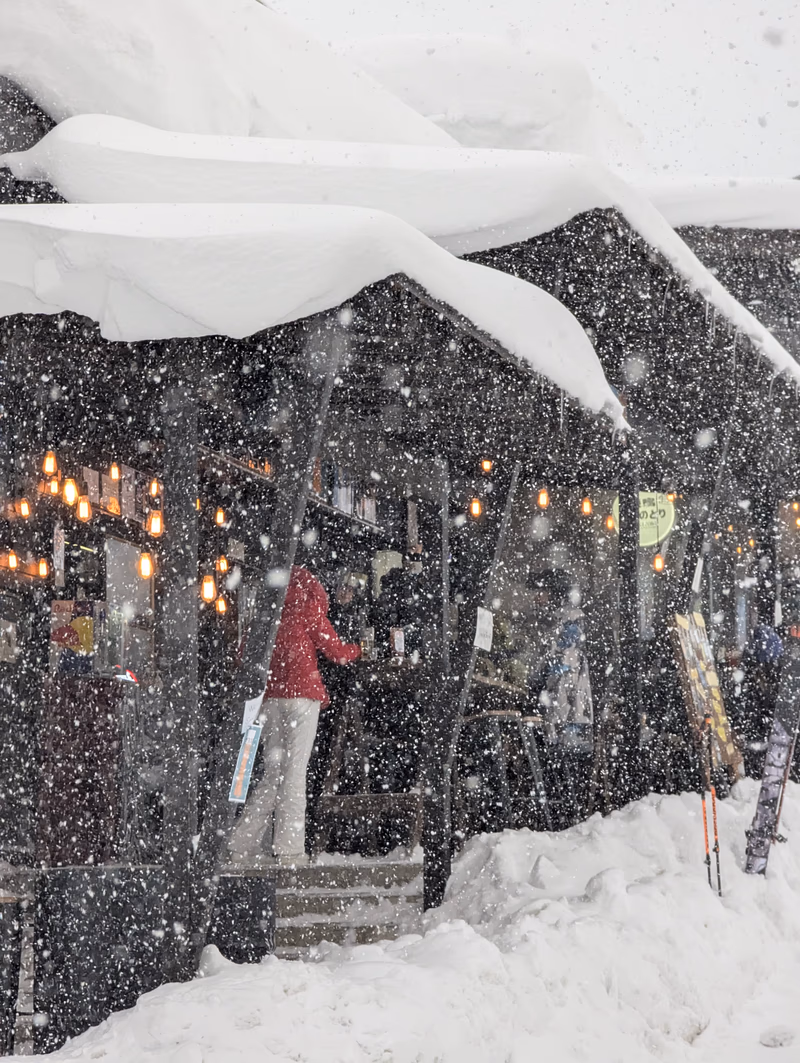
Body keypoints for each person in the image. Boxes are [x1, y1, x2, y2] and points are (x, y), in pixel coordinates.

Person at [227, 565, 361, 866]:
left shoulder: (267, 608)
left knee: (274, 773)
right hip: (302, 696)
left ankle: (241, 843)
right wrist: (359, 650)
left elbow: (242, 654)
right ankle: (289, 849)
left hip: (270, 699)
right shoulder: (308, 605)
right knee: (295, 772)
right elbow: (336, 652)